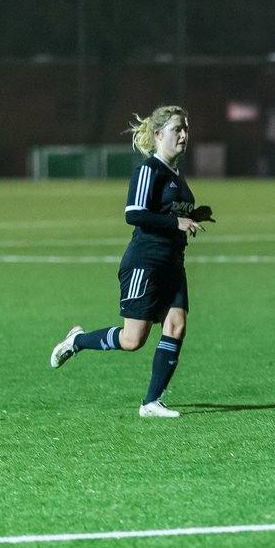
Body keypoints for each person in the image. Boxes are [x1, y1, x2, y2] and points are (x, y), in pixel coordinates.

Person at [49, 105, 215, 418]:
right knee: (132, 339)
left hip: (172, 263)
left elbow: (168, 212)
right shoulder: (149, 170)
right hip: (146, 262)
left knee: (176, 326)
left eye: (186, 129)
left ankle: (152, 402)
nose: (183, 135)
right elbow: (134, 213)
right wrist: (176, 223)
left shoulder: (177, 175)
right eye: (176, 129)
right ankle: (78, 340)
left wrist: (191, 216)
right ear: (158, 134)